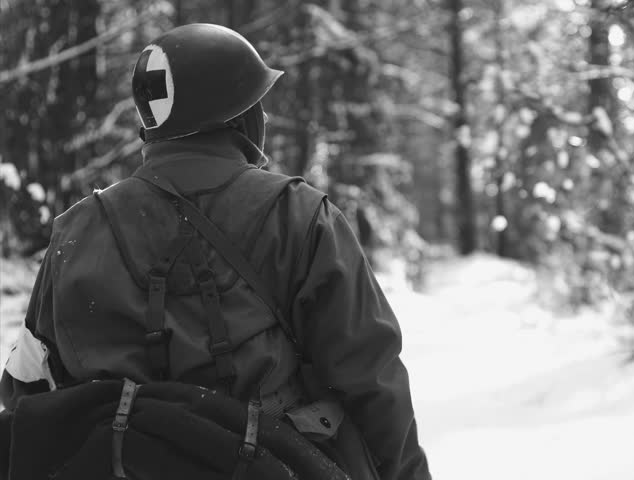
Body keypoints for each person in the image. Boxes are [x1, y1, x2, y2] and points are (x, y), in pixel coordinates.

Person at [0, 23, 430, 480]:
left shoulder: (76, 229)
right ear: (242, 119)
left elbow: (26, 385)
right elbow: (373, 381)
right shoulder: (299, 215)